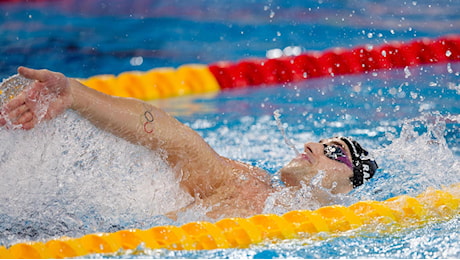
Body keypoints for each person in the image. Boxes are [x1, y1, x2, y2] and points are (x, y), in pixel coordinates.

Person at [0, 67, 378, 219]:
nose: (313, 144)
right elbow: (176, 140)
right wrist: (78, 97)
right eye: (321, 140)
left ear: (349, 187)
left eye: (334, 152)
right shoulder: (252, 188)